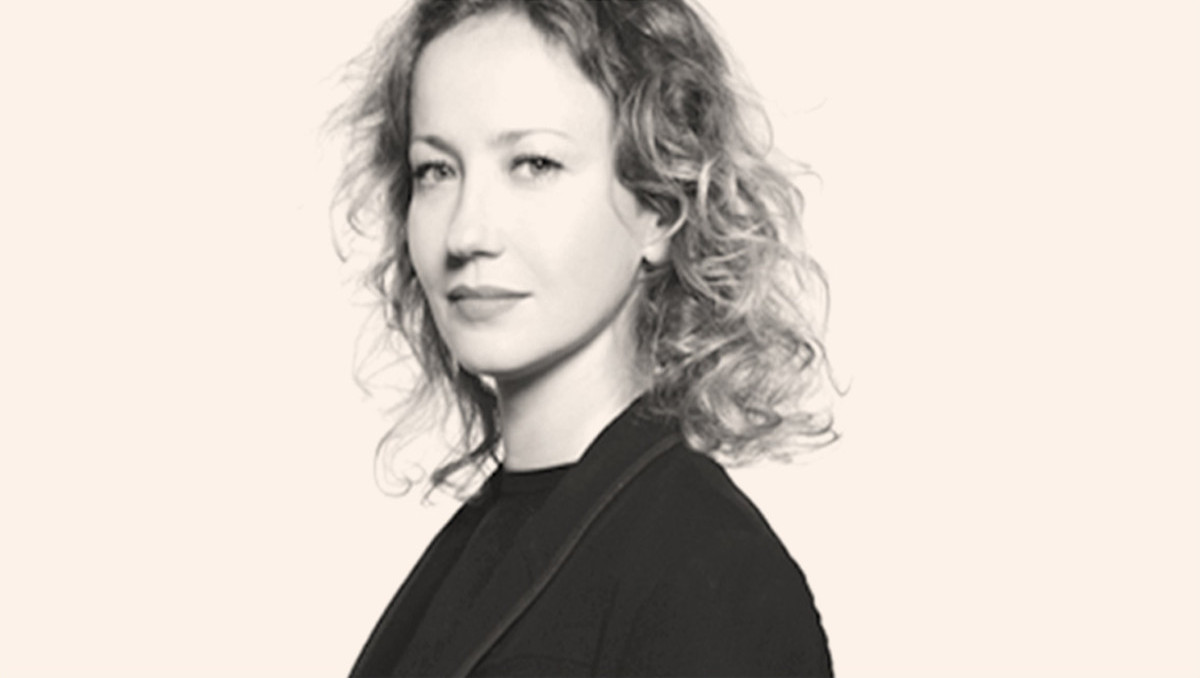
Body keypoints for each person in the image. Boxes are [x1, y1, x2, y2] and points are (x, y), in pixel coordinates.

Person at [335, 0, 837, 675]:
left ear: (659, 207)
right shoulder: (479, 545)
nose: (466, 233)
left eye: (534, 164)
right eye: (437, 170)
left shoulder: (710, 573)